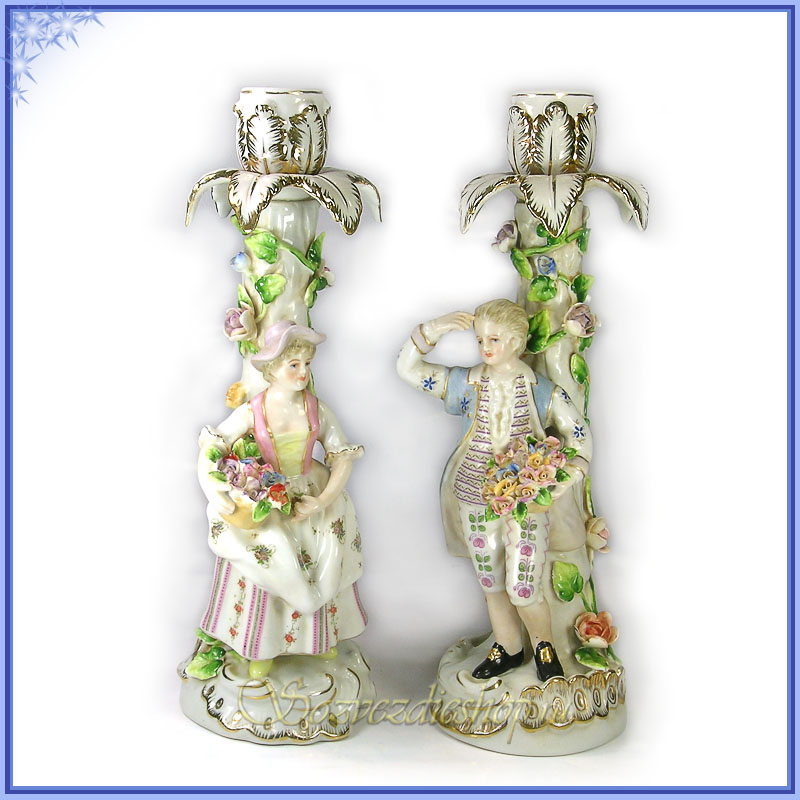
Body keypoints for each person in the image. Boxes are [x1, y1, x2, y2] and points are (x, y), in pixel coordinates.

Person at [397, 299, 592, 682]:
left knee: (523, 586)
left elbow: (580, 438)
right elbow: (407, 369)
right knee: (491, 580)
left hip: (526, 504)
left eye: (495, 339)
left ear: (517, 342)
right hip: (475, 495)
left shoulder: (543, 392)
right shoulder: (465, 384)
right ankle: (508, 647)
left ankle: (544, 646)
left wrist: (556, 484)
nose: (485, 347)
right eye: (480, 339)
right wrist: (433, 329)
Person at [197, 320, 366, 678]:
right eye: (294, 364)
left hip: (311, 490)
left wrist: (323, 501)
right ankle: (262, 646)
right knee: (272, 555)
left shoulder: (317, 409)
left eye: (307, 364)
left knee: (322, 555)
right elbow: (214, 444)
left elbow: (342, 456)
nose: (303, 372)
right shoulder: (253, 411)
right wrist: (213, 488)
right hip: (269, 493)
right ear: (272, 368)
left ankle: (318, 639)